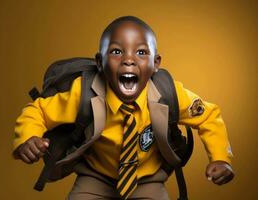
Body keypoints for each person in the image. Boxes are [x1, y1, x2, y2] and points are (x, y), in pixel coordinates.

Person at [13, 16, 234, 200]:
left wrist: (220, 158)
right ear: (100, 62)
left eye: (141, 52)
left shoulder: (169, 93)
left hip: (148, 180)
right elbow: (38, 110)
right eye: (117, 52)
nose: (129, 60)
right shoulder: (85, 92)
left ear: (156, 63)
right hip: (95, 177)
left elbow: (209, 116)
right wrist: (27, 137)